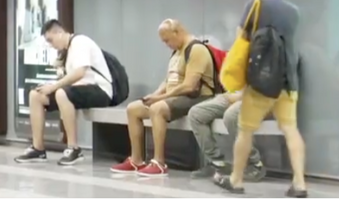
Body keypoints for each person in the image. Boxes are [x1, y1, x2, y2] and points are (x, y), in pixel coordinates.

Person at [214, 0, 305, 196]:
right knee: (291, 130)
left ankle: (236, 180)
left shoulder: (254, 6)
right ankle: (300, 183)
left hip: (261, 83)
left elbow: (240, 43)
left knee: (245, 131)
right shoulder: (294, 11)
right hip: (288, 82)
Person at [111, 19, 218, 177]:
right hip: (175, 97)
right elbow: (168, 81)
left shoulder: (196, 49)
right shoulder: (177, 51)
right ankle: (136, 160)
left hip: (197, 97)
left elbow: (189, 85)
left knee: (157, 108)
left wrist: (160, 99)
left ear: (177, 32)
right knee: (133, 109)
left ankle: (159, 162)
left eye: (167, 40)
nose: (166, 44)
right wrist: (155, 95)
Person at [15, 20, 113, 166]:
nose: (51, 45)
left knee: (61, 93)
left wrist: (54, 87)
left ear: (59, 33)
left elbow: (80, 73)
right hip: (80, 90)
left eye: (50, 40)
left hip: (100, 90)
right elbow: (69, 80)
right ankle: (38, 148)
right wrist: (52, 83)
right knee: (36, 95)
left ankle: (73, 148)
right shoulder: (67, 51)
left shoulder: (80, 42)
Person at [187, 91, 265, 180]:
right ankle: (218, 163)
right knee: (196, 113)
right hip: (233, 94)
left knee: (231, 116)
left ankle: (255, 164)